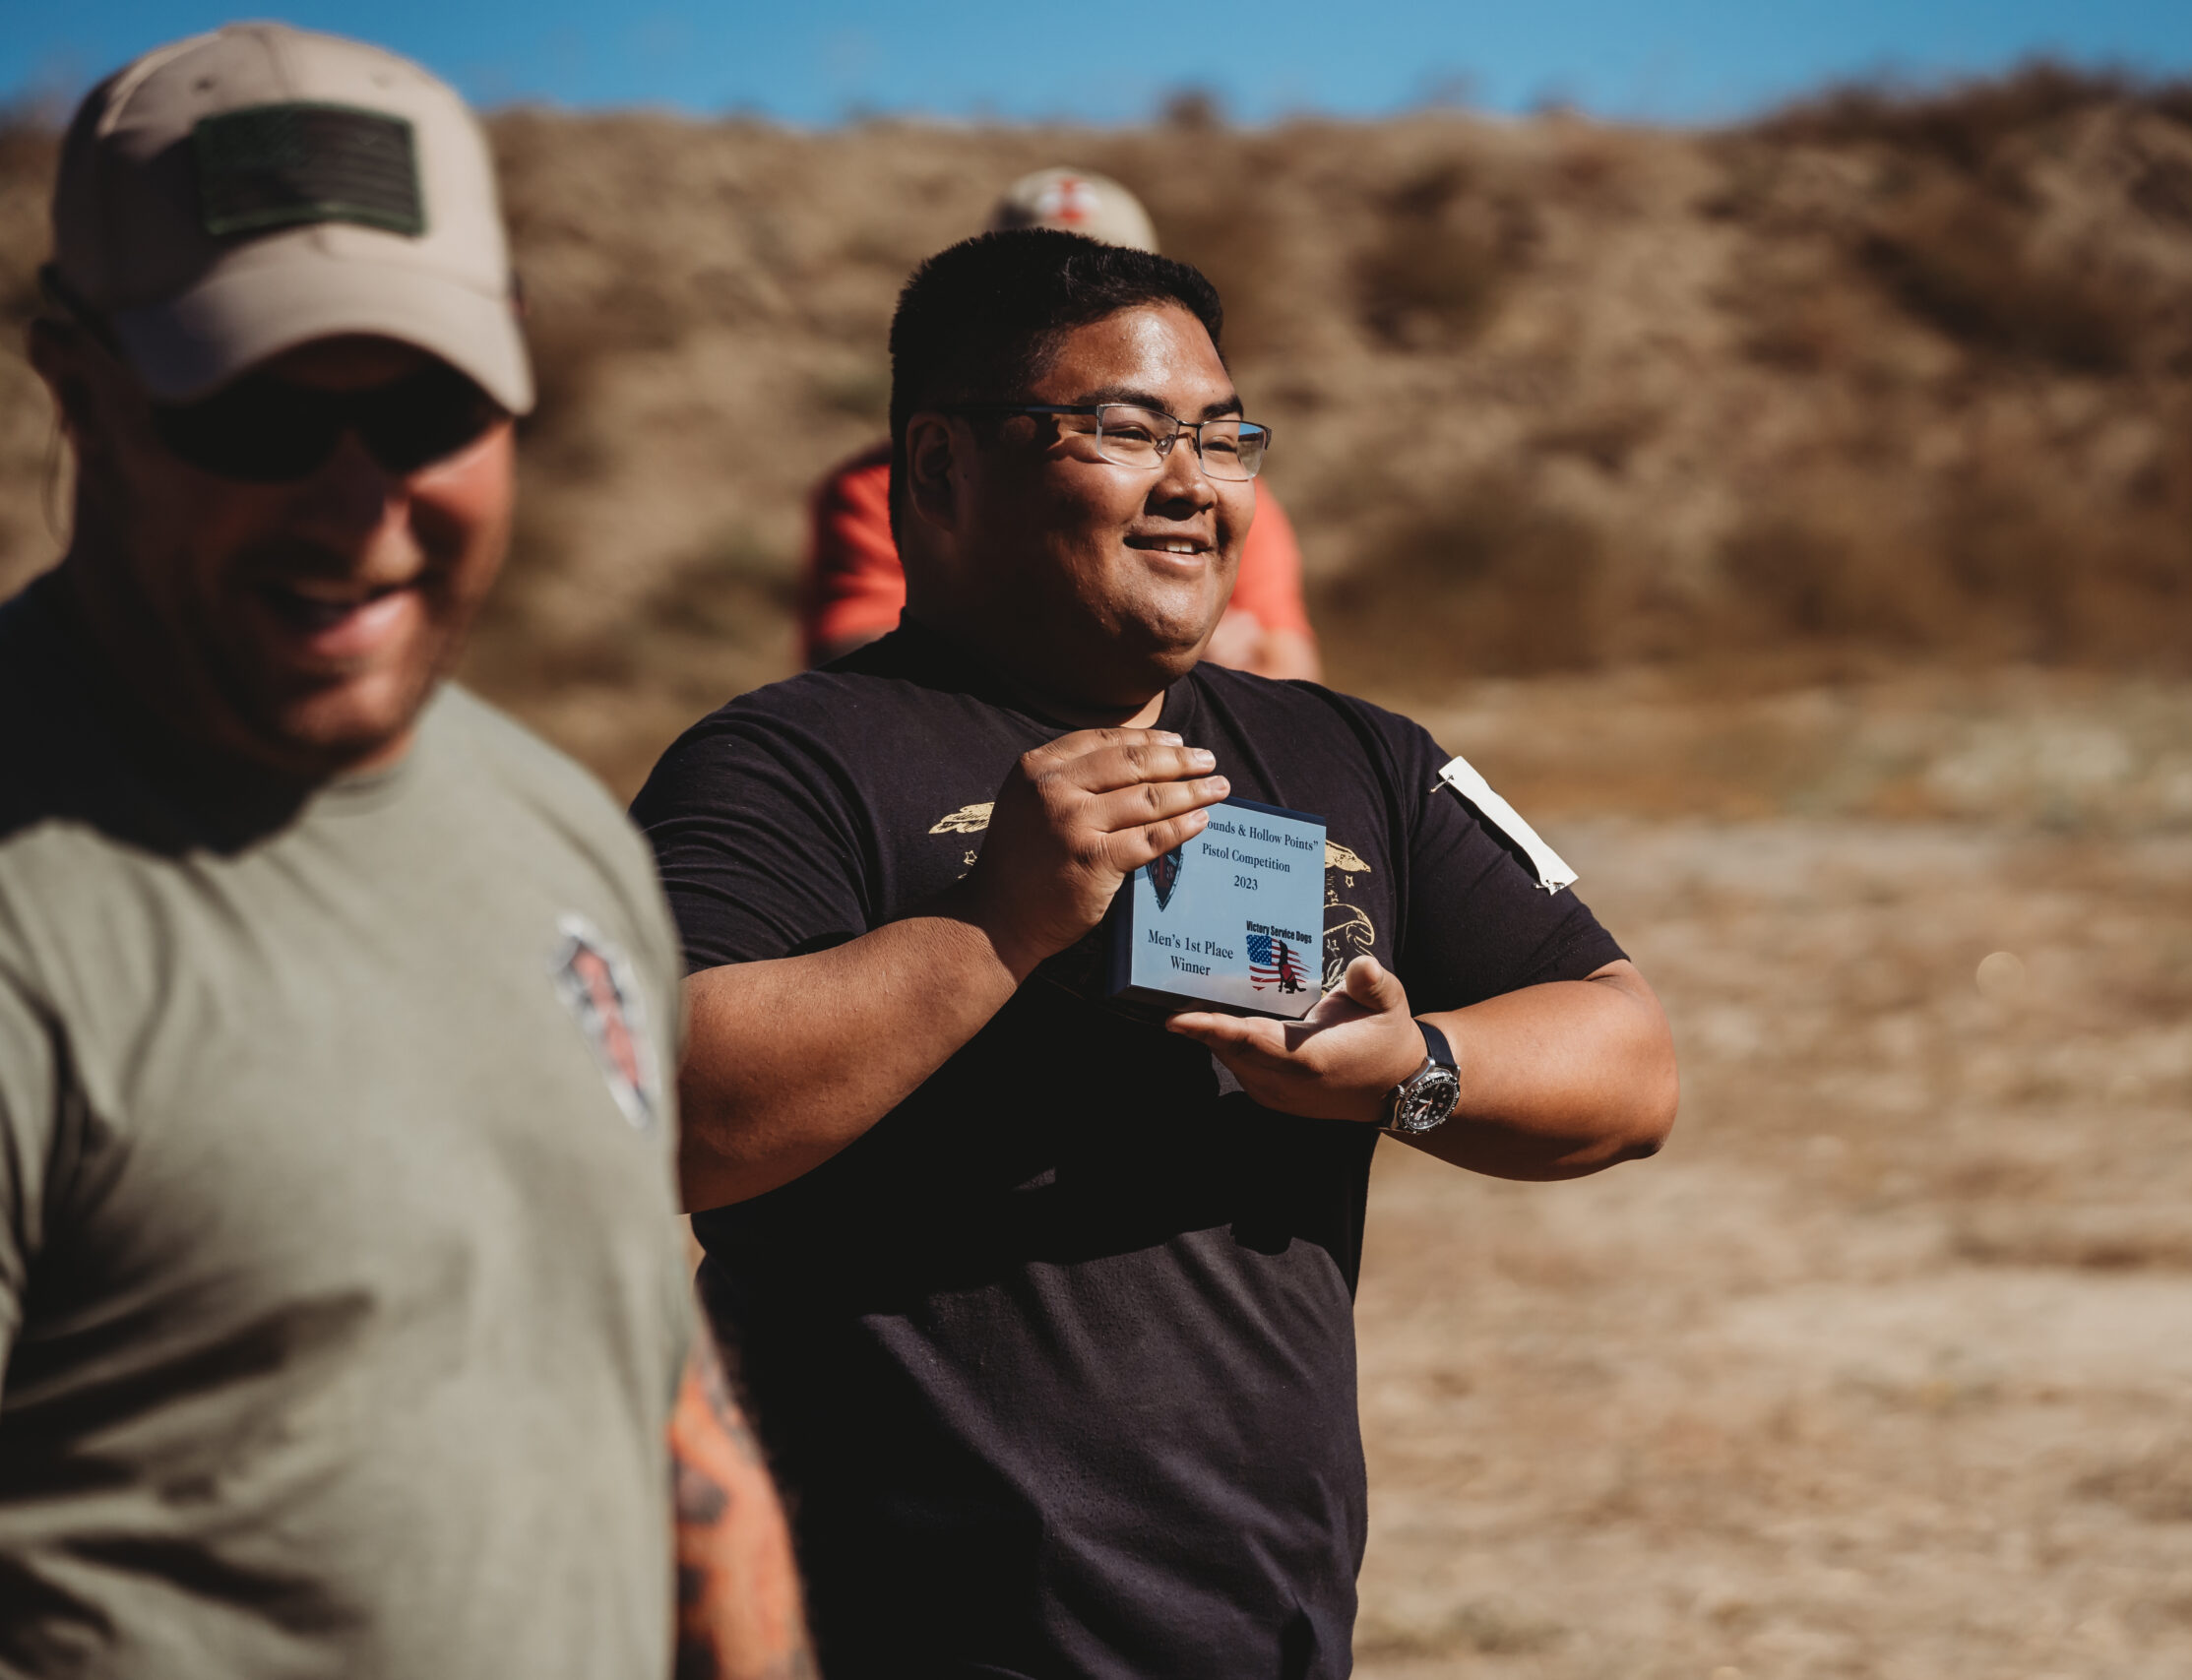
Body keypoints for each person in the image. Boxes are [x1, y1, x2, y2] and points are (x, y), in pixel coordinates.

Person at [633, 228, 1679, 1677]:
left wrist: (1412, 1072)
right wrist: (990, 932)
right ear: (936, 467)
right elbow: (655, 1119)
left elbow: (1628, 1058)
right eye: (1124, 431)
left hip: (1265, 1624)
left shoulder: (1351, 753)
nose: (1194, 483)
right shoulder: (785, 762)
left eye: (1223, 435)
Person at [1, 26, 813, 1678]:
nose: (359, 497)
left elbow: (655, 1388)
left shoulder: (559, 829)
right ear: (75, 383)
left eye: (430, 404)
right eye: (257, 413)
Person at [801, 166, 1322, 680]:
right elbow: (851, 653)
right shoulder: (873, 488)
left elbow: (1286, 669)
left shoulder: (1219, 487)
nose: (1188, 488)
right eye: (1044, 290)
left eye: (1116, 283)